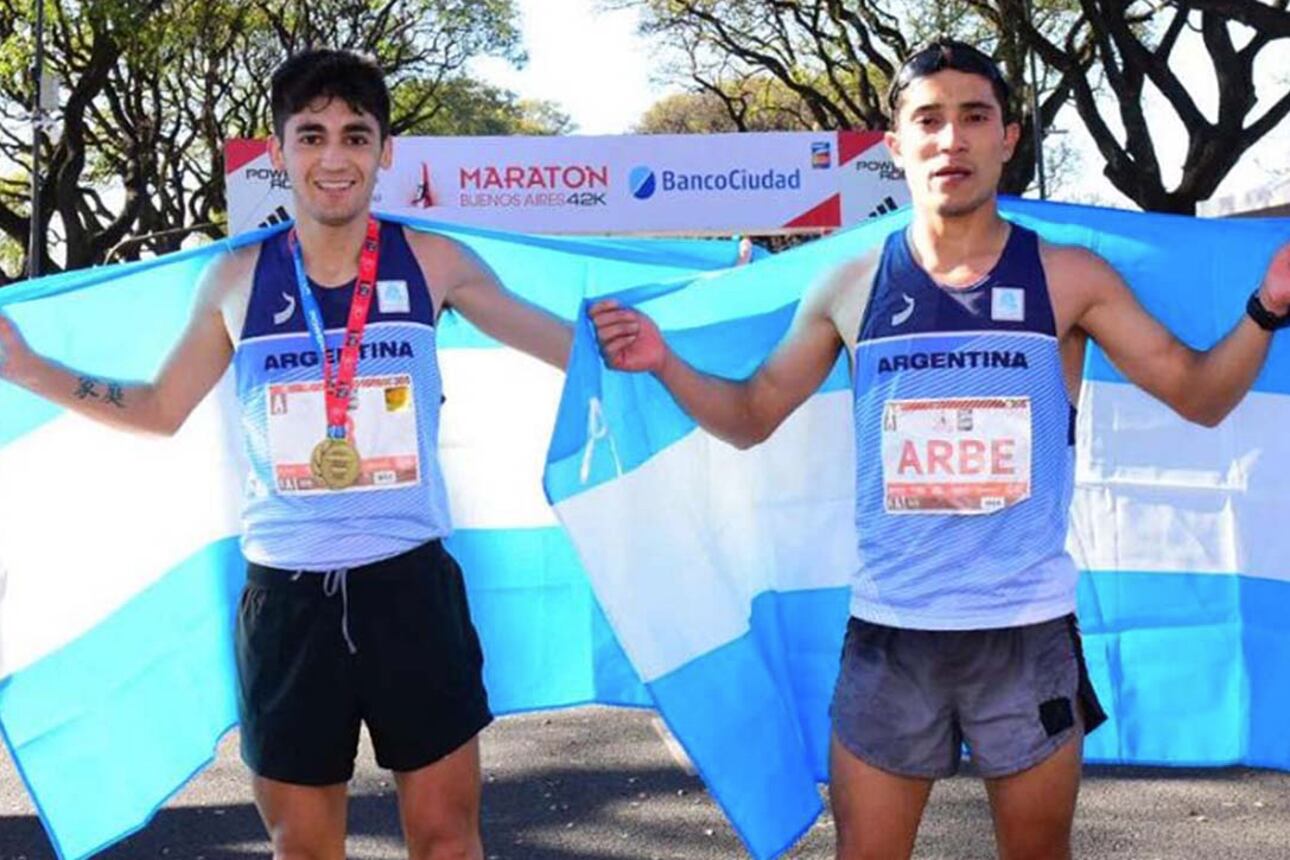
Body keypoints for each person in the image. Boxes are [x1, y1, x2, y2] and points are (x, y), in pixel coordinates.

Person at [590, 39, 1290, 860]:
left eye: (973, 117)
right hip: (892, 637)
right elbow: (751, 414)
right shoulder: (850, 285)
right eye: (928, 120)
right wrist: (664, 362)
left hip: (1024, 636)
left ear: (1008, 138)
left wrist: (1269, 305)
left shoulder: (1069, 278)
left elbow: (1199, 396)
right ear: (896, 147)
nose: (950, 139)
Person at [0, 49, 571, 860]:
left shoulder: (434, 262)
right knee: (303, 851)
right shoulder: (234, 279)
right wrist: (27, 369)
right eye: (311, 136)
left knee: (447, 843)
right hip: (286, 603)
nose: (333, 158)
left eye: (354, 135)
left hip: (409, 587)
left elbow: (561, 346)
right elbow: (161, 409)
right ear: (278, 150)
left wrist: (655, 351)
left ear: (385, 151)